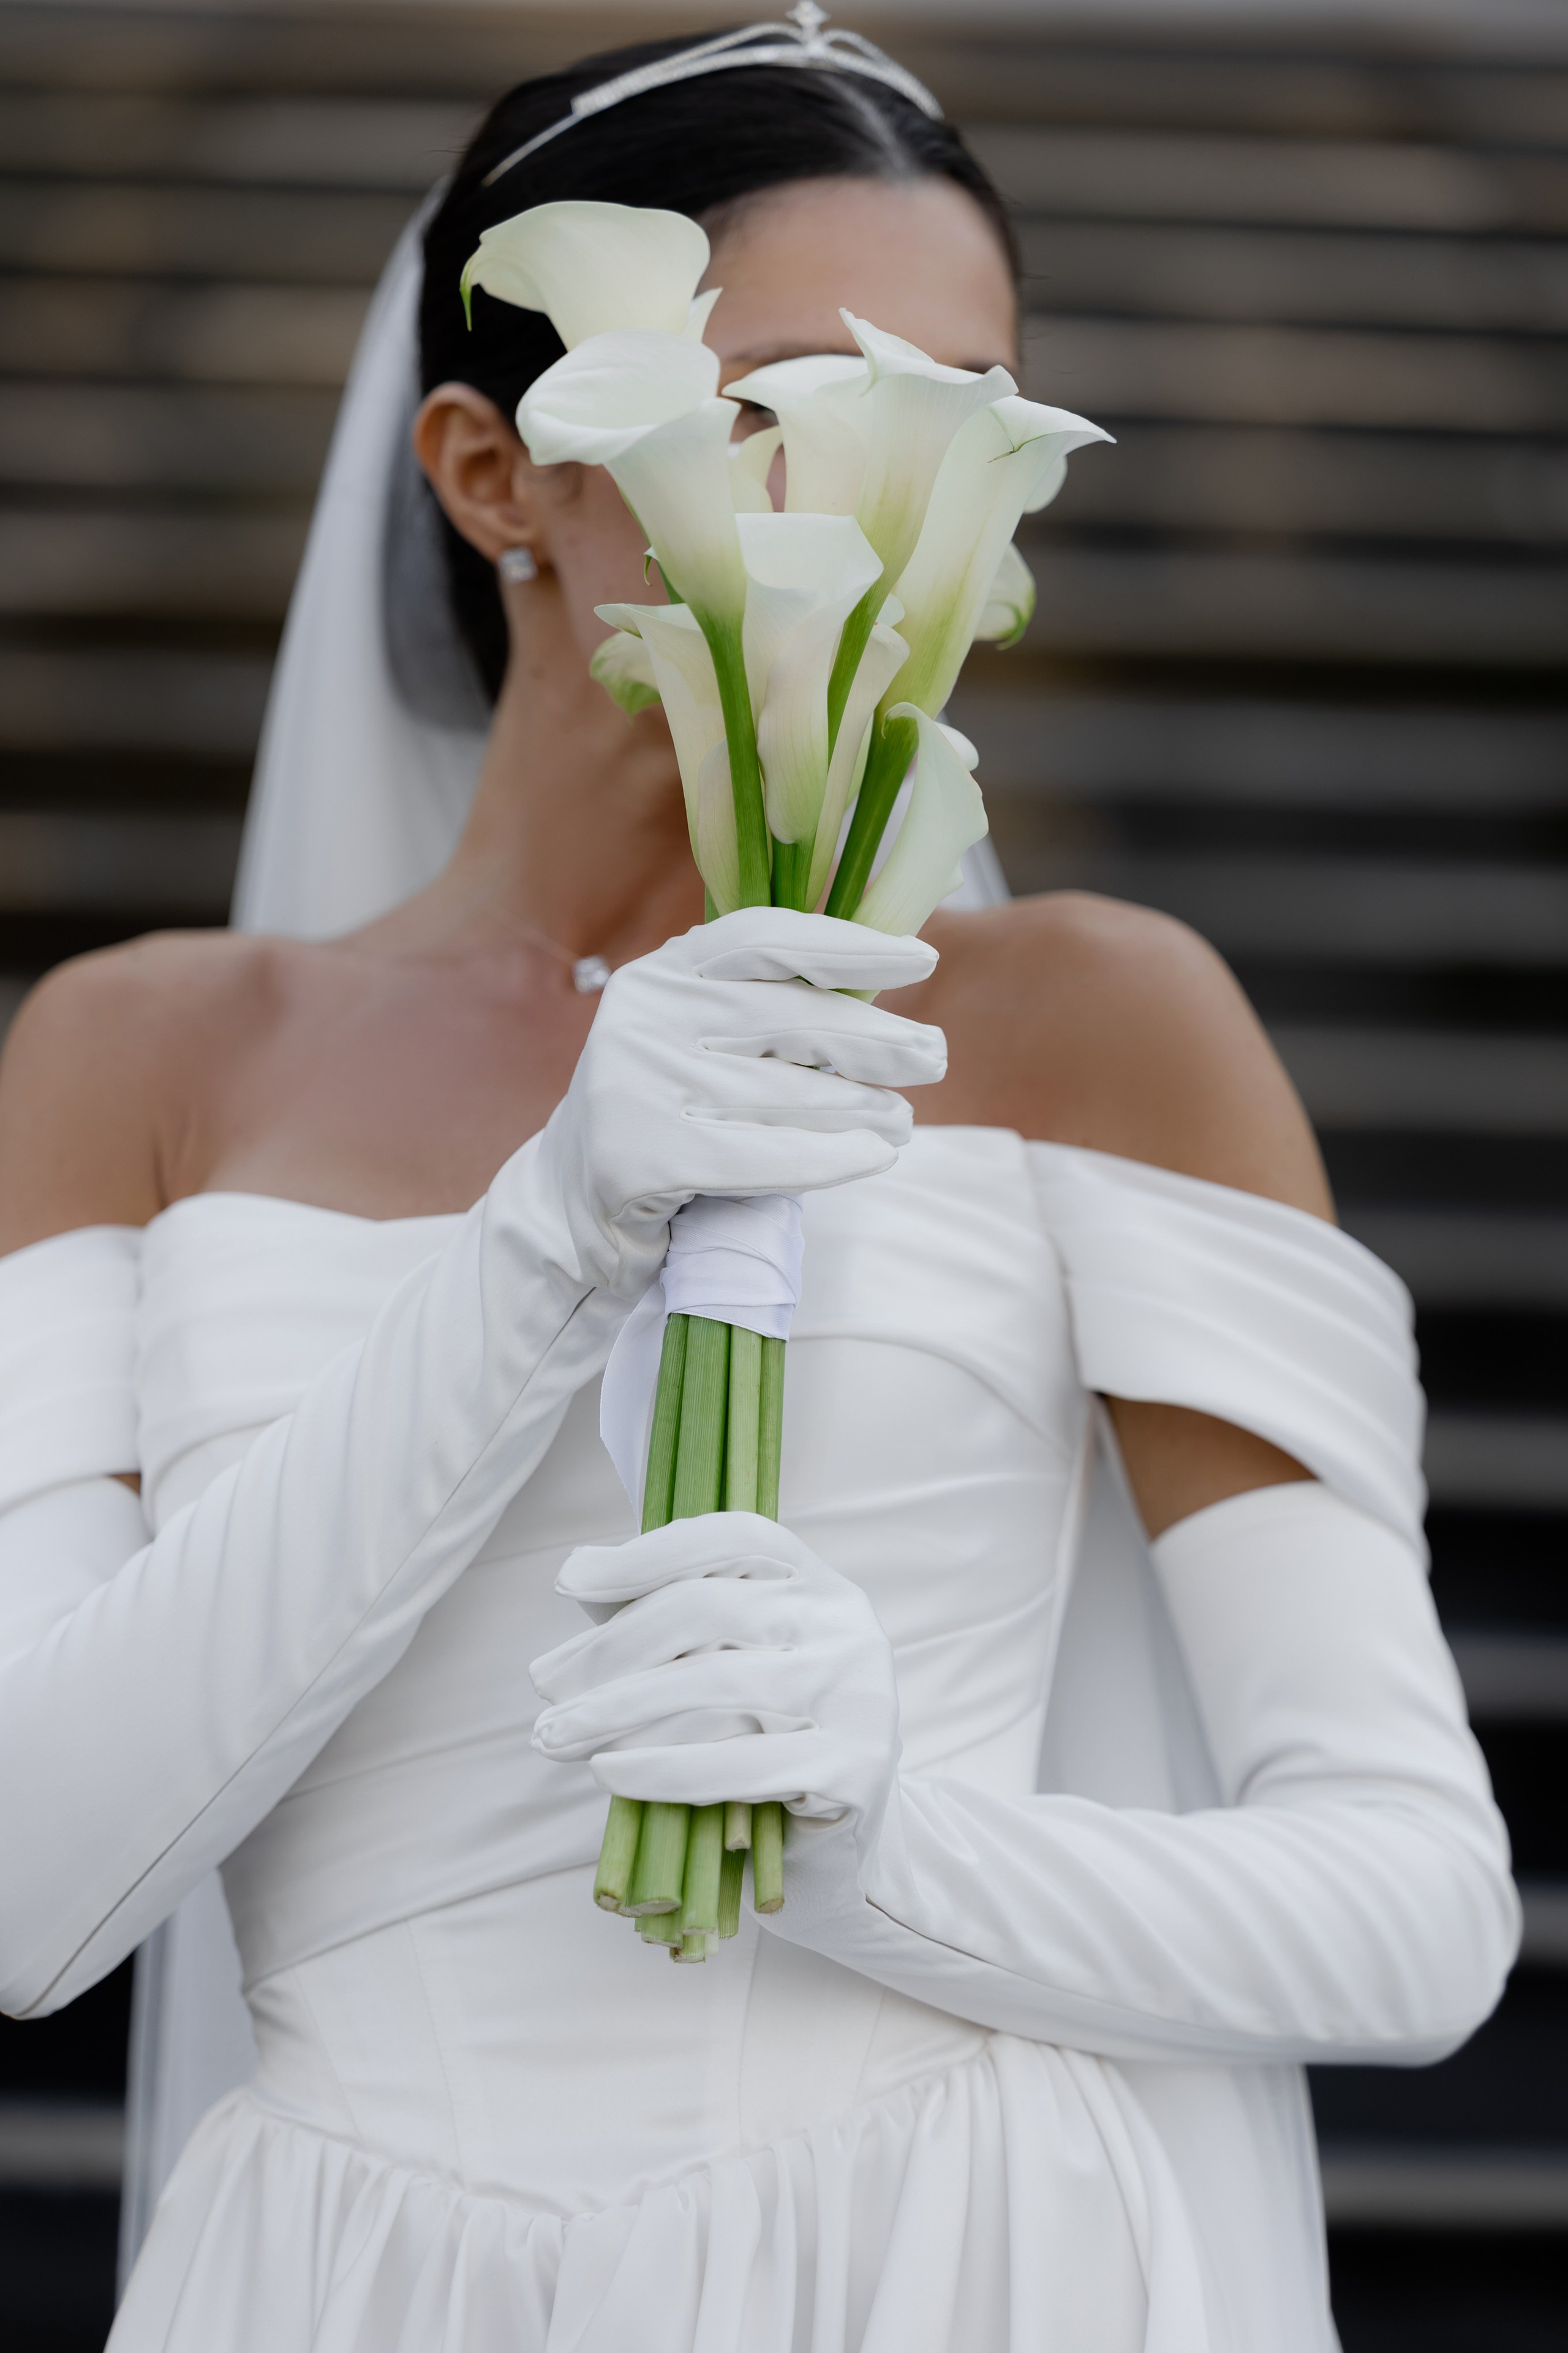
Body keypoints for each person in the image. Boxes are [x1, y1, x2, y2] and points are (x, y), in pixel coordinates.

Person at [0, 20, 1518, 2351]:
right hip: (351, 2278)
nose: (906, 498)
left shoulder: (1101, 1021)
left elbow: (1413, 1911)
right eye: (793, 390)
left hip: (964, 2258)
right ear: (495, 471)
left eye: (968, 409)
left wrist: (890, 1843)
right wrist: (557, 1228)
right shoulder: (143, 1058)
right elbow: (31, 1887)